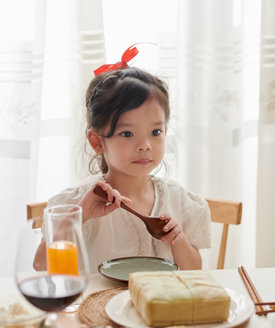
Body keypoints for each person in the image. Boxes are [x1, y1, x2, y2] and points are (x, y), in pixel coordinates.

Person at [36, 45, 211, 273]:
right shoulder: (77, 202)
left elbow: (194, 271)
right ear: (97, 141)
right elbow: (40, 264)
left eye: (156, 132)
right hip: (98, 307)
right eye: (127, 133)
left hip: (159, 306)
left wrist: (178, 239)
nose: (145, 145)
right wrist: (82, 214)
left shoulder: (179, 201)